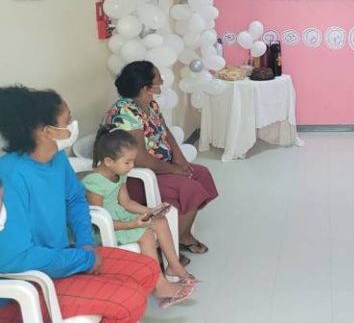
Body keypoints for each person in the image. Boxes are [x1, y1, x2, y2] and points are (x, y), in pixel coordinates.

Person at [0, 85, 159, 323]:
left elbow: (75, 199)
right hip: (28, 286)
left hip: (62, 258)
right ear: (47, 132)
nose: (73, 125)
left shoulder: (56, 157)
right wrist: (83, 260)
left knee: (147, 270)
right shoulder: (10, 176)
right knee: (131, 299)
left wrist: (86, 244)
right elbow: (16, 258)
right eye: (68, 121)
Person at [104, 61, 218, 256]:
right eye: (158, 79)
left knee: (201, 174)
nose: (162, 81)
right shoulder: (125, 113)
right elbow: (140, 159)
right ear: (145, 87)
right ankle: (172, 245)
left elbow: (165, 132)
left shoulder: (150, 104)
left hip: (160, 166)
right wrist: (174, 170)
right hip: (135, 176)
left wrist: (180, 160)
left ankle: (179, 234)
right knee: (189, 188)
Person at [83, 128, 197, 308]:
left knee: (160, 221)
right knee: (145, 234)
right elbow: (99, 220)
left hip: (121, 216)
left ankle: (173, 265)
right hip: (105, 227)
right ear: (108, 161)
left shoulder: (118, 173)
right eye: (127, 162)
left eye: (132, 161)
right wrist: (132, 224)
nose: (131, 166)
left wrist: (150, 210)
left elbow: (126, 202)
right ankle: (159, 286)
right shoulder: (94, 183)